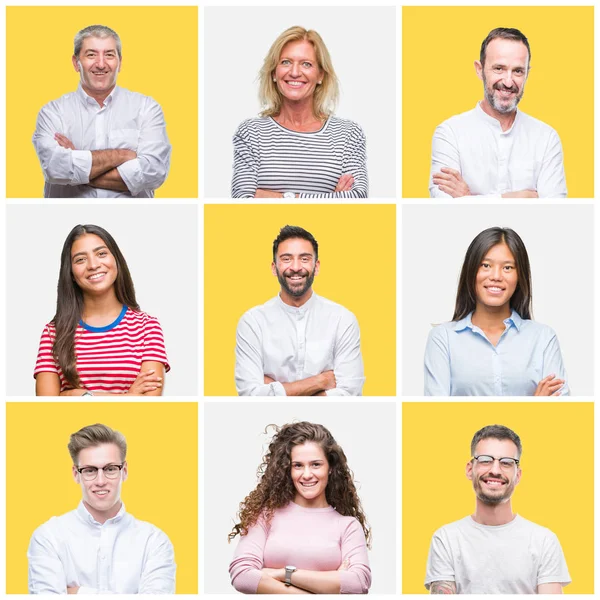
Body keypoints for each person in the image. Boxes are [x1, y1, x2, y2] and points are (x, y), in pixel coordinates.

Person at [28, 423, 176, 594]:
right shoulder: (48, 537)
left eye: (110, 469)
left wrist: (79, 593)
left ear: (124, 471)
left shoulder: (154, 542)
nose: (100, 481)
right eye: (90, 470)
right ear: (76, 474)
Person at [229, 422, 371, 594]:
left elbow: (359, 582)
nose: (307, 474)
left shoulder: (348, 526)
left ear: (331, 468)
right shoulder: (265, 516)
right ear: (287, 470)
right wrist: (324, 589)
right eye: (298, 465)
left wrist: (283, 574)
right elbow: (242, 576)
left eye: (316, 464)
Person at [425, 424, 570, 594]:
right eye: (485, 460)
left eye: (506, 463)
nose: (495, 470)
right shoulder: (446, 539)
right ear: (470, 469)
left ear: (518, 475)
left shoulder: (544, 541)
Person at [424, 227, 568, 396]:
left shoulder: (543, 337)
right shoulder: (443, 338)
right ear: (471, 271)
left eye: (507, 268)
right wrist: (534, 404)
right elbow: (438, 412)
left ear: (519, 276)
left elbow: (559, 408)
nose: (496, 276)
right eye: (486, 265)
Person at [32, 24, 171, 198]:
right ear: (76, 63)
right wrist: (123, 155)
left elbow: (154, 173)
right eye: (91, 54)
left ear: (119, 62)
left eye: (109, 55)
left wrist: (76, 163)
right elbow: (55, 170)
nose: (100, 64)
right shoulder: (52, 112)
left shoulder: (147, 108)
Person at [232, 26, 368, 198]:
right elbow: (242, 200)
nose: (295, 72)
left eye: (306, 64)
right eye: (286, 62)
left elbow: (357, 198)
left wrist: (282, 198)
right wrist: (331, 200)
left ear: (320, 75)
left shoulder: (348, 134)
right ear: (274, 72)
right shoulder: (251, 132)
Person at [429, 27, 566, 198]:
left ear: (527, 74)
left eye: (517, 71)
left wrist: (467, 198)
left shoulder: (547, 138)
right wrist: (519, 198)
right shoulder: (449, 133)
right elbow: (445, 208)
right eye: (499, 68)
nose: (508, 82)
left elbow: (554, 212)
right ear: (479, 69)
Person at [34, 224, 169, 396]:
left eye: (101, 254)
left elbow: (149, 403)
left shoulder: (147, 327)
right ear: (71, 273)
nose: (93, 265)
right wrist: (127, 397)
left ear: (116, 260)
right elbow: (47, 407)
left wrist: (75, 395)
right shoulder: (53, 332)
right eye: (80, 259)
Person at [235, 225, 365, 396]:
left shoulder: (342, 319)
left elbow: (350, 394)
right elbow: (250, 395)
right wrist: (320, 382)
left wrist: (276, 389)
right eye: (287, 259)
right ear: (274, 268)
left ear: (316, 266)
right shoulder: (252, 322)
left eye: (304, 259)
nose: (296, 267)